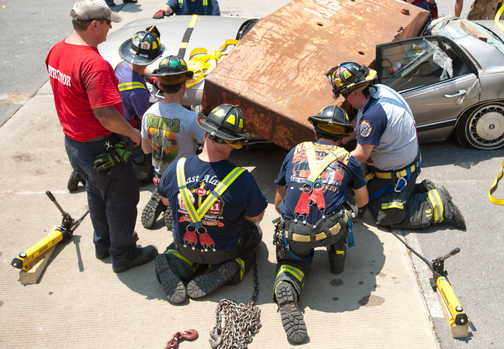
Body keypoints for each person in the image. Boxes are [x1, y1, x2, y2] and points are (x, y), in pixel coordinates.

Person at [45, 0, 157, 273]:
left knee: (96, 193)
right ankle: (123, 254)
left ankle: (104, 244)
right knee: (122, 199)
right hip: (100, 146)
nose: (110, 30)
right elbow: (105, 114)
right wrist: (132, 133)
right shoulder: (92, 63)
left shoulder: (57, 51)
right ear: (94, 24)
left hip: (75, 144)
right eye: (108, 24)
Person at [325, 62, 466, 230]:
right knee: (362, 191)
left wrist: (329, 159)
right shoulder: (376, 92)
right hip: (400, 163)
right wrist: (341, 140)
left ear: (355, 92)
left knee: (386, 214)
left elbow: (361, 154)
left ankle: (441, 204)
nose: (344, 100)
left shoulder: (374, 116)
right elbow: (358, 122)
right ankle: (417, 190)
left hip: (397, 172)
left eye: (344, 95)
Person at [273, 105, 369, 344]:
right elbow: (363, 201)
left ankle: (289, 279)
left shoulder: (295, 151)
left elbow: (278, 202)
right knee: (345, 209)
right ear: (343, 137)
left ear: (315, 132)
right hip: (330, 230)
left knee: (292, 258)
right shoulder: (348, 159)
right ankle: (336, 255)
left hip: (295, 233)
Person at [154, 104, 267, 305]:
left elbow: (164, 202)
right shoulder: (242, 179)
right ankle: (233, 266)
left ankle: (176, 262)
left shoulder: (176, 168)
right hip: (224, 251)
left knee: (177, 246)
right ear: (234, 143)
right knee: (254, 235)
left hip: (185, 245)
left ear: (205, 133)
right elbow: (256, 217)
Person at [140, 56, 205, 230]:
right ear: (184, 84)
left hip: (159, 173)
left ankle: (163, 195)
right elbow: (209, 151)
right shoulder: (191, 119)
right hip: (183, 179)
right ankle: (176, 204)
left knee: (166, 184)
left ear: (160, 85)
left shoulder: (148, 113)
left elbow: (146, 149)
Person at [115, 25, 165, 184]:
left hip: (118, 116)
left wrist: (153, 78)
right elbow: (146, 122)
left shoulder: (122, 65)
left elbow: (139, 67)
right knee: (145, 167)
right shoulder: (138, 93)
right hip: (128, 128)